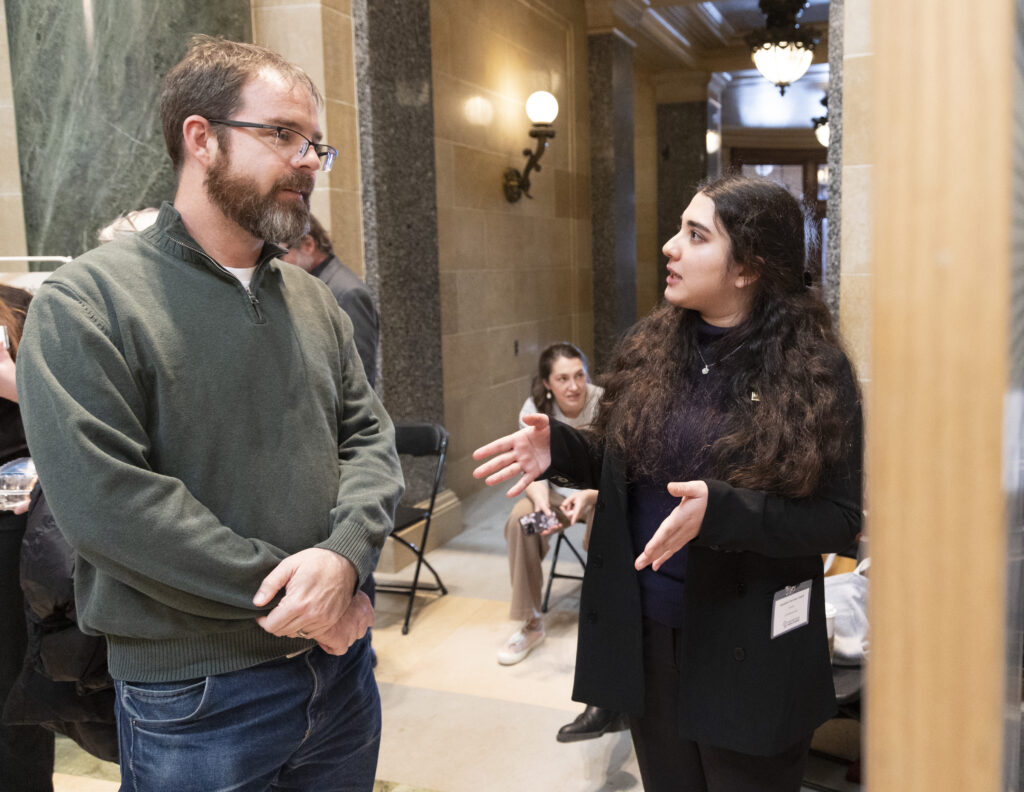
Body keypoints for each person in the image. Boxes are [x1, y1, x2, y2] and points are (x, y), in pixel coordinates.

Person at [17, 35, 403, 792]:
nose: (306, 161)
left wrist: (346, 554)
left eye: (314, 144)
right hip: (197, 697)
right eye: (283, 134)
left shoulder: (313, 300)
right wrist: (308, 598)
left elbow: (369, 437)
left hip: (340, 677)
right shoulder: (87, 302)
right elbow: (110, 505)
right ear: (201, 139)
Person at [473, 174, 863, 792]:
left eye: (695, 235)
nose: (669, 247)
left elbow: (841, 520)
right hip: (650, 637)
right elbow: (621, 457)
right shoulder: (651, 346)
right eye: (679, 229)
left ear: (748, 267)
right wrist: (563, 446)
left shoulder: (814, 370)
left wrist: (725, 512)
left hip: (750, 648)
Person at [0, 285, 54, 792]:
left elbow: (69, 407)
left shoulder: (24, 307)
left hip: (16, 534)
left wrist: (8, 377)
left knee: (15, 703)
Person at [281, 214, 379, 388]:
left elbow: (360, 381)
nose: (275, 264)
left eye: (280, 255)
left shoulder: (349, 293)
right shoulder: (309, 284)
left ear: (308, 245)